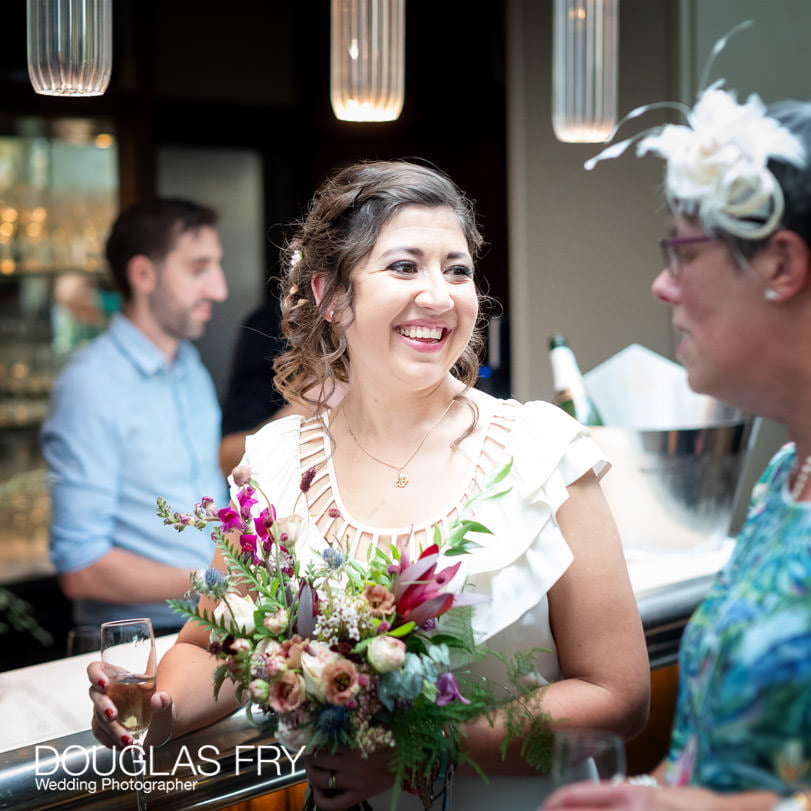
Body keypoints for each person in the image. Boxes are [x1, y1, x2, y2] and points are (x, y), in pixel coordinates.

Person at [88, 160, 650, 809]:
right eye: (404, 266)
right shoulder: (274, 465)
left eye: (456, 268)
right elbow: (215, 646)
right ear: (330, 294)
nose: (438, 294)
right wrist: (158, 711)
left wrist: (416, 751)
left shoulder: (541, 451)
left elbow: (618, 694)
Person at [543, 91, 811, 811]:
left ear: (780, 265)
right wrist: (645, 793)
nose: (661, 284)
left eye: (681, 251)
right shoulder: (785, 479)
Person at [41, 198, 230, 631]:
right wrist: (217, 583)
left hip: (210, 627)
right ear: (143, 274)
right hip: (133, 647)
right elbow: (82, 568)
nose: (218, 289)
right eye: (199, 268)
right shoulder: (90, 385)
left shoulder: (190, 368)